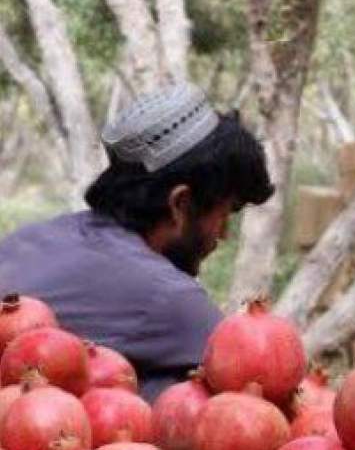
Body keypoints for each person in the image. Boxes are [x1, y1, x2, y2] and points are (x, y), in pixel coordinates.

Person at [0, 83, 274, 400]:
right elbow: (258, 389)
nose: (224, 234)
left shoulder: (33, 236)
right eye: (226, 213)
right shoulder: (169, 297)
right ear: (180, 204)